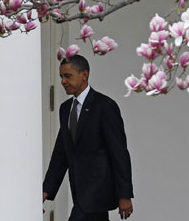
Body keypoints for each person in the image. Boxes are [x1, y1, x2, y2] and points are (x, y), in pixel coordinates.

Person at [43, 55, 134, 221]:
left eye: (68, 76)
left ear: (84, 75)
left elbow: (119, 153)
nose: (63, 81)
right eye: (61, 77)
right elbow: (61, 154)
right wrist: (46, 191)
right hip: (79, 191)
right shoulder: (65, 109)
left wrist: (125, 195)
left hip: (98, 191)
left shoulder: (105, 106)